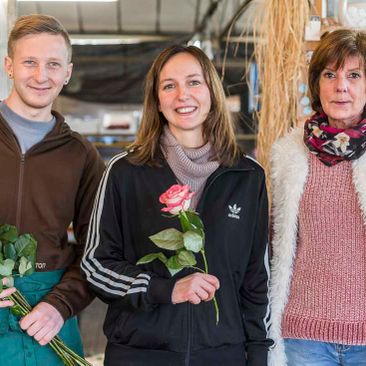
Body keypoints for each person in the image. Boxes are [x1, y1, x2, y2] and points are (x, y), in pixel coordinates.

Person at [81, 44, 272, 366]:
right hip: (140, 354)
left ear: (212, 92)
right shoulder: (125, 172)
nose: (183, 95)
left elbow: (257, 278)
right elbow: (96, 265)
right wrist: (162, 290)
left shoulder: (247, 177)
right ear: (156, 100)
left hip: (222, 354)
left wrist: (258, 353)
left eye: (194, 82)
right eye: (169, 86)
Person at [0, 14, 105, 365]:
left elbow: (99, 247)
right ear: (9, 65)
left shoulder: (81, 155)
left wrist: (60, 306)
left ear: (68, 73)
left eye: (53, 64)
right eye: (30, 62)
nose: (41, 75)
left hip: (48, 309)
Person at [269, 29, 366, 366]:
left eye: (354, 75)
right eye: (330, 74)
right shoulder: (288, 155)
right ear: (316, 84)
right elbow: (276, 245)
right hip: (303, 338)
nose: (341, 85)